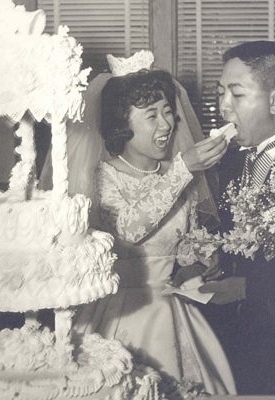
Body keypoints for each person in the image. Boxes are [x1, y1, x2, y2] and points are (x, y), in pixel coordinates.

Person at [41, 50, 237, 398]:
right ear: (122, 124)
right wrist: (182, 169)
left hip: (176, 312)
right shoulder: (102, 177)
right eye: (152, 115)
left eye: (168, 113)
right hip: (121, 314)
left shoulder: (181, 176)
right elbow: (129, 230)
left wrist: (202, 261)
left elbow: (189, 243)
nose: (167, 125)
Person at [199, 40, 275, 395]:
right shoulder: (230, 160)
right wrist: (216, 261)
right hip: (239, 339)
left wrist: (249, 288)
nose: (223, 108)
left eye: (236, 95)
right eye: (220, 93)